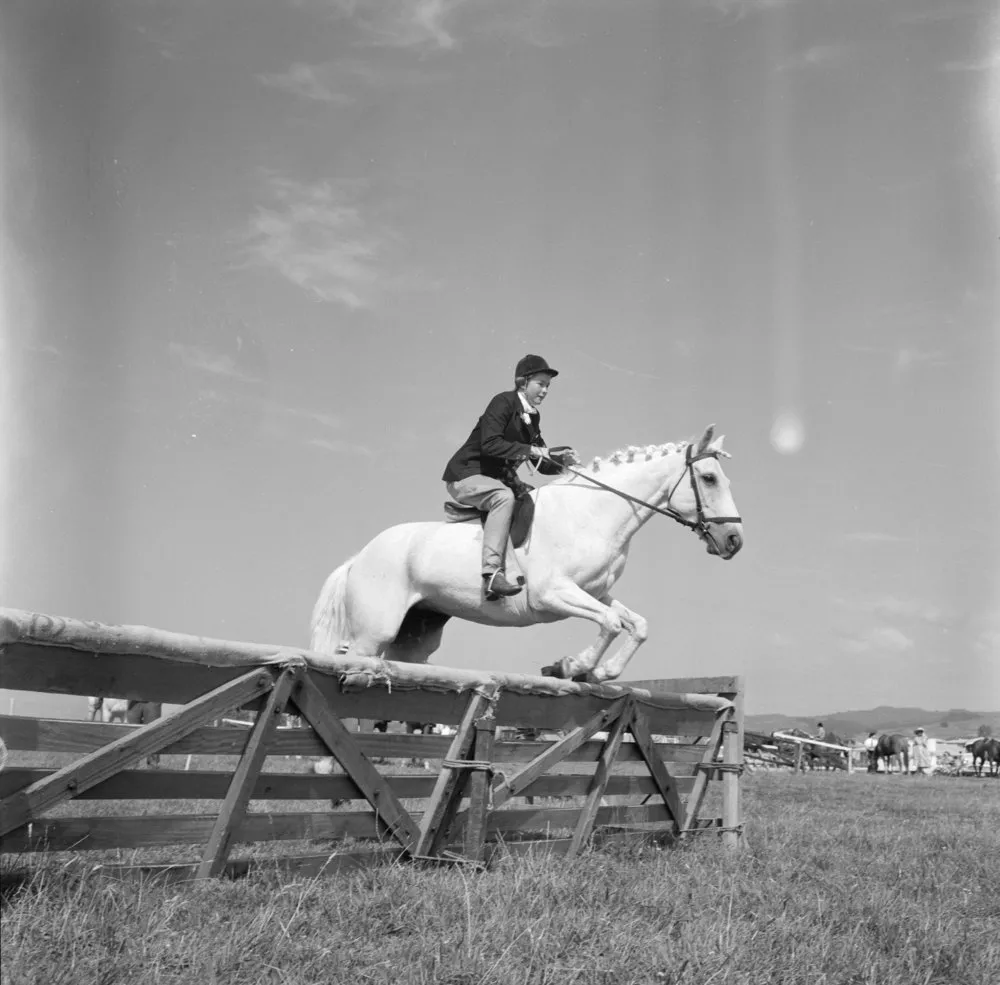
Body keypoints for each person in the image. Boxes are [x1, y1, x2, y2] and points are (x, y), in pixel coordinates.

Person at [442, 354, 578, 599]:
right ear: (522, 382)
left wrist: (563, 465)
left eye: (548, 386)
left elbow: (540, 462)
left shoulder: (533, 417)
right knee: (504, 497)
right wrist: (532, 450)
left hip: (495, 479)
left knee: (533, 498)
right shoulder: (503, 402)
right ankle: (492, 575)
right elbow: (490, 444)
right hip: (467, 475)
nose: (545, 390)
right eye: (540, 384)